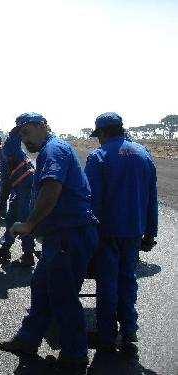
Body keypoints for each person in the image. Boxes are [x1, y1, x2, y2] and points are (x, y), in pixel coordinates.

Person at [0, 113, 98, 374]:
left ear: (42, 126)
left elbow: (51, 189)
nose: (24, 138)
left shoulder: (53, 150)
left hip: (70, 233)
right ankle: (28, 340)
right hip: (59, 235)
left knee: (63, 295)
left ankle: (75, 355)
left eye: (27, 131)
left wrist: (29, 224)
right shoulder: (49, 150)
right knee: (41, 287)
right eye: (20, 134)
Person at [84, 112, 158, 355]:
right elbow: (151, 198)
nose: (99, 140)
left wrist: (88, 234)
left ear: (103, 133)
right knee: (128, 280)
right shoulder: (144, 154)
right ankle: (129, 333)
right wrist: (150, 232)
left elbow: (92, 201)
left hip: (107, 232)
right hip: (134, 231)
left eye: (99, 136)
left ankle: (106, 335)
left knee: (108, 283)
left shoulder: (98, 157)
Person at [0, 124, 36, 266]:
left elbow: (15, 137)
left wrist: (19, 126)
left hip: (29, 187)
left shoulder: (8, 149)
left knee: (24, 220)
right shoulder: (0, 161)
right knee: (10, 218)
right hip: (19, 189)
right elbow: (5, 184)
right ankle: (5, 248)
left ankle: (28, 255)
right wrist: (1, 203)